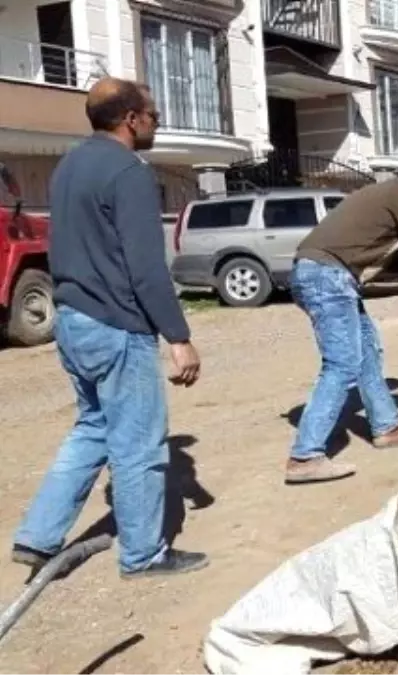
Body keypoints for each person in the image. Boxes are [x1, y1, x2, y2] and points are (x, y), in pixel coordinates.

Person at [12, 77, 207, 578]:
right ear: (131, 119)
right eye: (154, 114)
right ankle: (143, 555)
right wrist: (178, 337)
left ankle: (38, 536)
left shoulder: (69, 167)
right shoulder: (128, 172)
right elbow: (145, 267)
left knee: (92, 428)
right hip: (116, 323)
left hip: (73, 320)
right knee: (139, 443)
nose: (157, 122)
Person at [287, 160, 398, 485]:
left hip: (323, 273)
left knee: (367, 351)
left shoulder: (386, 193)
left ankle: (387, 427)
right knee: (342, 364)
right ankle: (305, 455)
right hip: (327, 276)